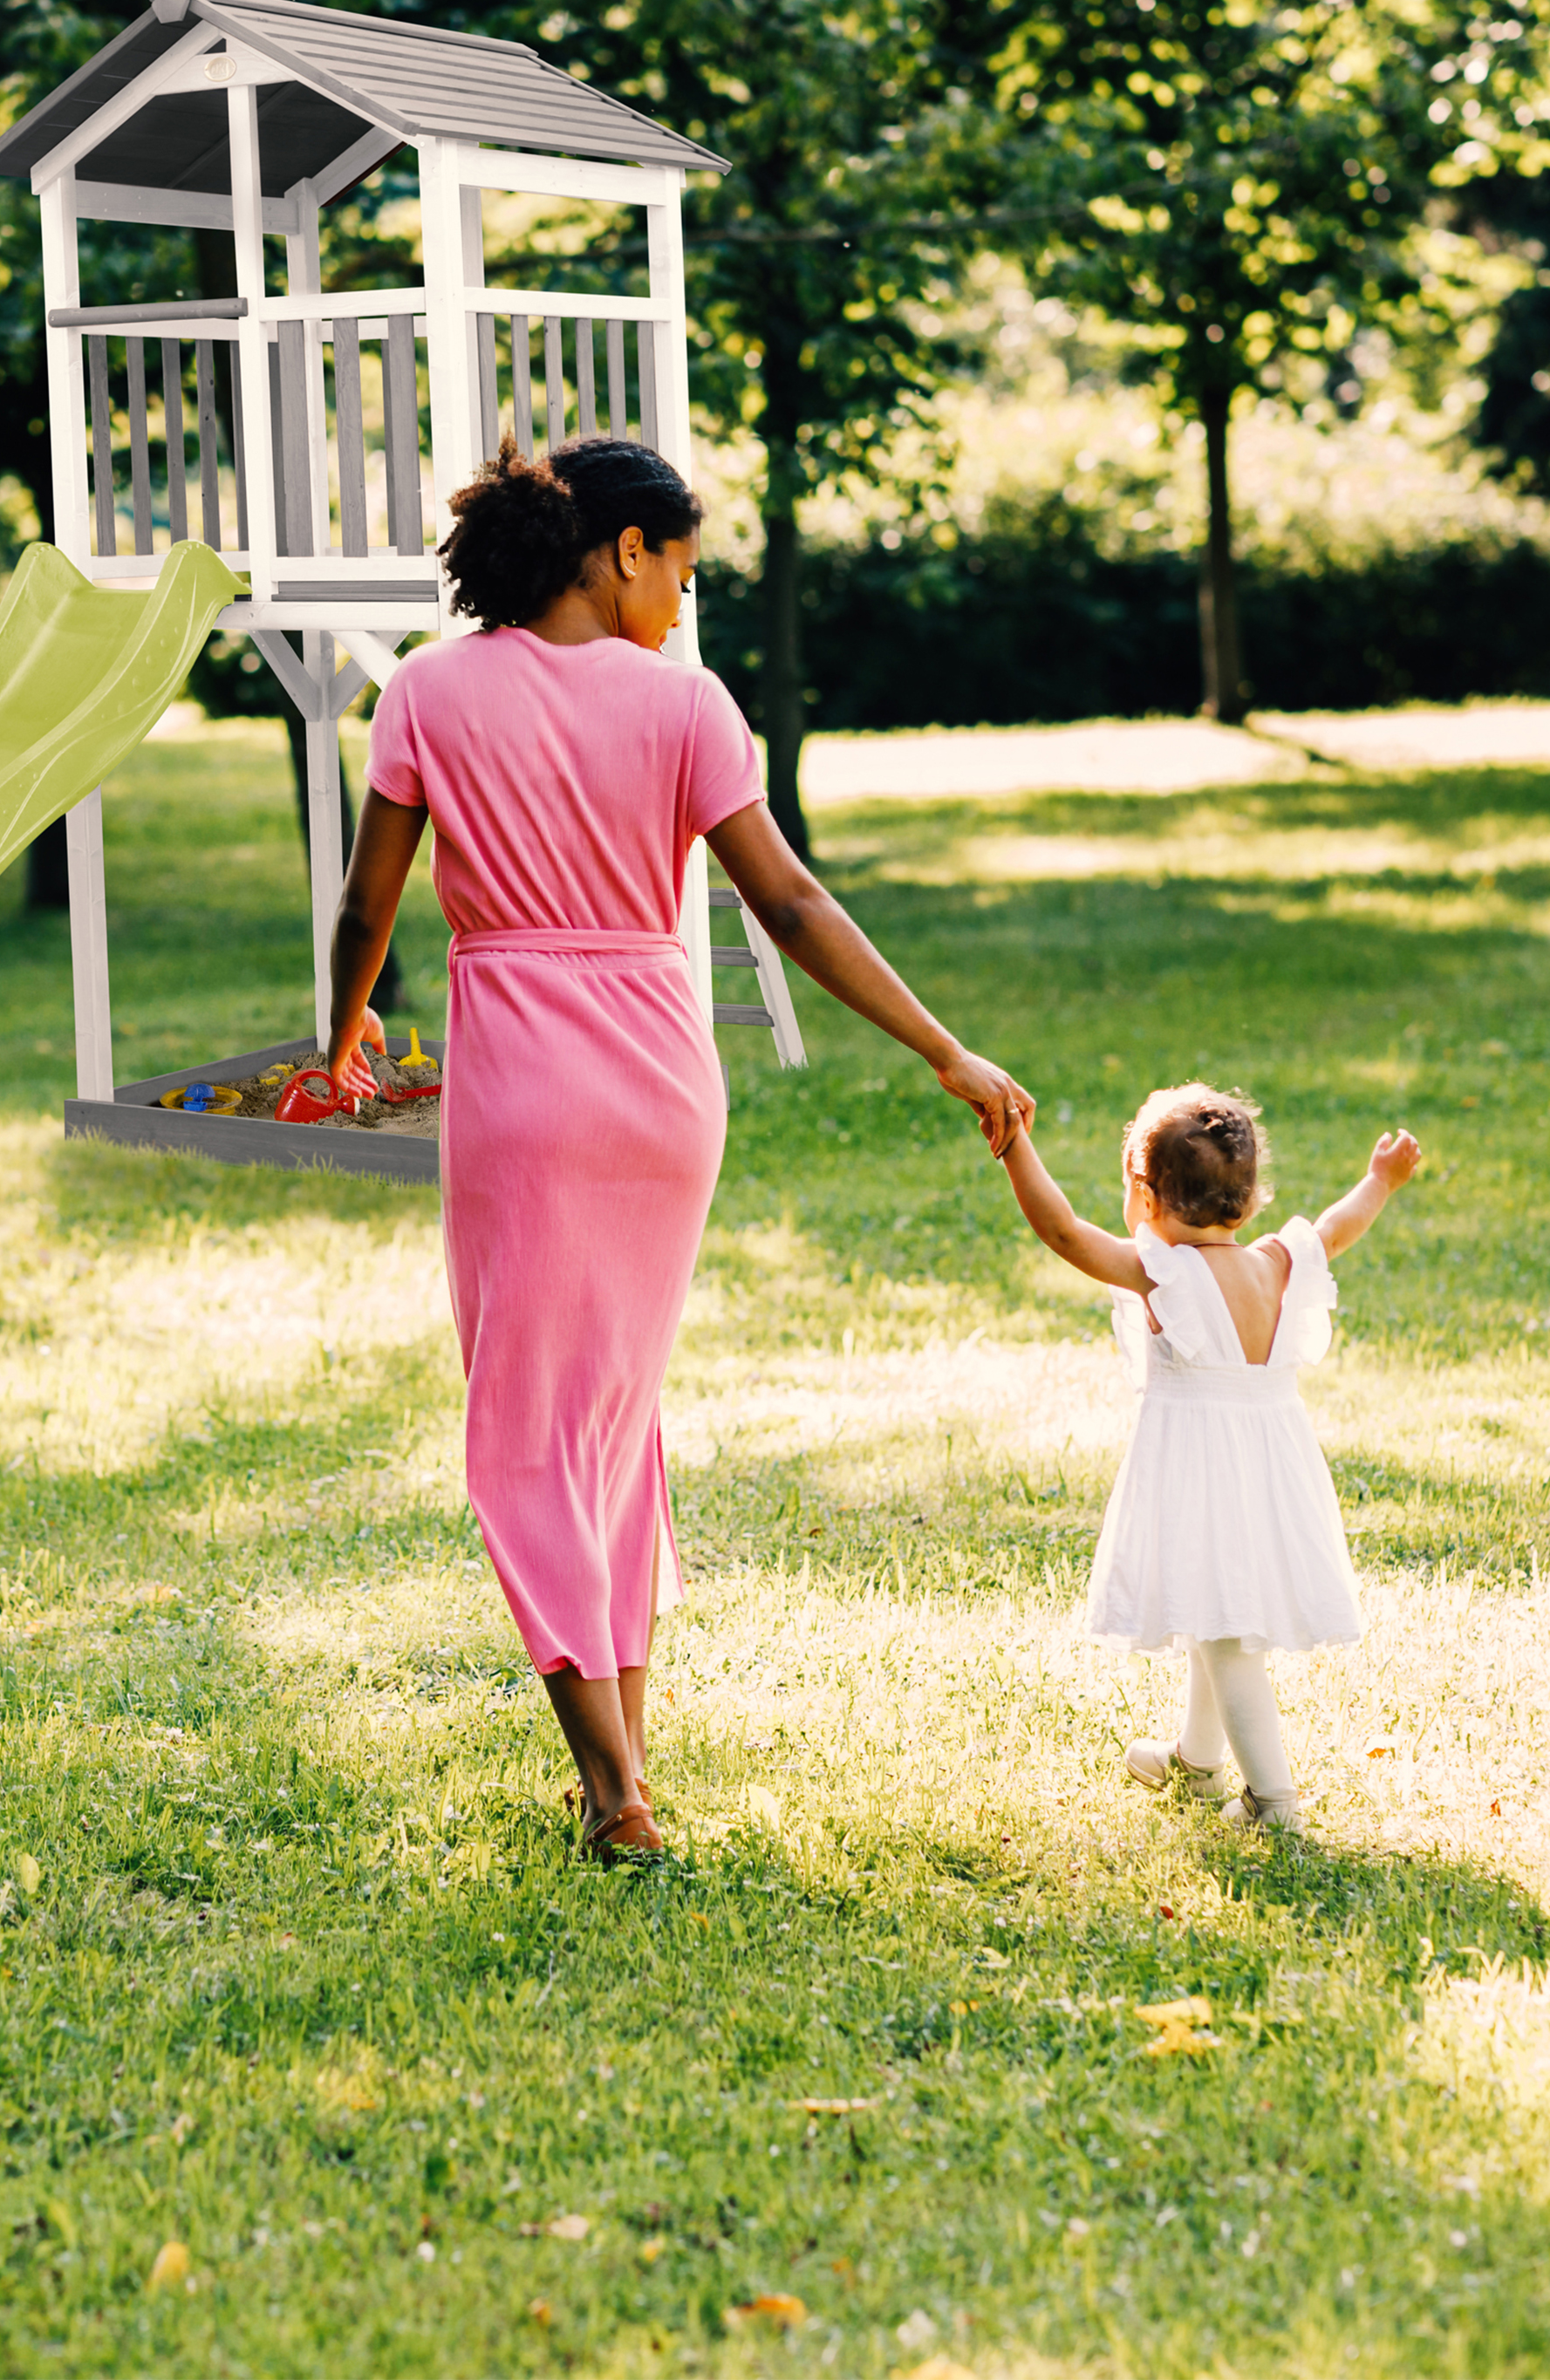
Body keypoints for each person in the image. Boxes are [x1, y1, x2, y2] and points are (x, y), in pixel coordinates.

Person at [322, 437, 1034, 1861]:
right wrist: (942, 1047)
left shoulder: (427, 690)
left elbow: (367, 905)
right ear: (622, 550)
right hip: (661, 1084)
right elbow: (792, 903)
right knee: (610, 1420)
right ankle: (624, 1765)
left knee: (528, 1431)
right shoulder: (688, 706)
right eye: (682, 573)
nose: (682, 605)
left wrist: (339, 1035)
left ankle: (610, 1789)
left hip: (522, 1084)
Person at [994, 1081, 1423, 1830]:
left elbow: (1062, 1231)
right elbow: (1338, 1225)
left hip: (1202, 1475)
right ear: (1250, 1200)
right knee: (1210, 1609)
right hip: (1270, 1472)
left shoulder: (1164, 1274)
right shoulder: (1280, 1262)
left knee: (1226, 1639)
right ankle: (1196, 1762)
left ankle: (1274, 1803)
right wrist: (1379, 1180)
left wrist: (1013, 1144)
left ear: (1146, 1198)